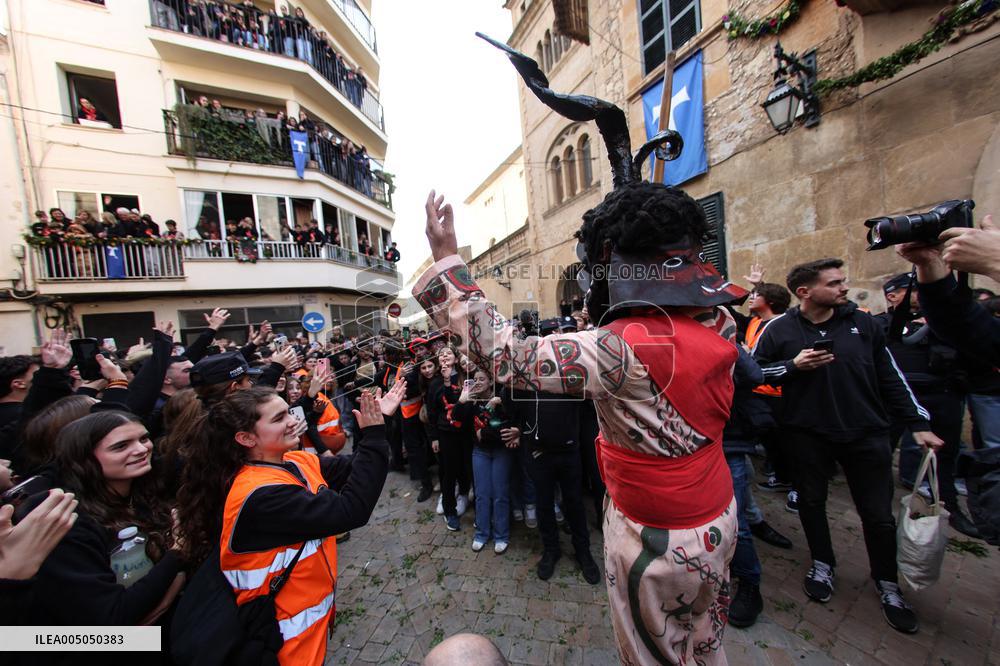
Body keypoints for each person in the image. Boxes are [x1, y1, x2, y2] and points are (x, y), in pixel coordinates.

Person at [417, 181, 746, 664]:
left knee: (654, 654)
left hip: (655, 540)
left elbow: (506, 356)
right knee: (704, 640)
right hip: (718, 515)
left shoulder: (617, 349)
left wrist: (447, 258)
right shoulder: (720, 322)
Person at [753, 258, 942, 634]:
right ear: (804, 292)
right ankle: (822, 563)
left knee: (878, 515)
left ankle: (888, 583)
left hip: (866, 433)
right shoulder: (779, 329)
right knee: (810, 501)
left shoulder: (863, 324)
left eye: (843, 281)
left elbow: (890, 376)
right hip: (806, 433)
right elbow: (755, 372)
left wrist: (918, 422)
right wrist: (793, 366)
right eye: (834, 282)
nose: (843, 288)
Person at [175, 384, 403, 666]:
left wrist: (379, 422)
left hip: (307, 636)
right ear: (246, 438)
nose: (293, 420)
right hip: (285, 647)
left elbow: (357, 468)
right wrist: (374, 433)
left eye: (288, 412)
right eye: (279, 418)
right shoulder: (260, 495)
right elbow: (351, 511)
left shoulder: (292, 460)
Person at [23, 411, 186, 628]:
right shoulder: (69, 522)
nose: (141, 449)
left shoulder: (145, 494)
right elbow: (113, 619)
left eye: (144, 438)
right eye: (121, 446)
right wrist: (177, 554)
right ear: (84, 458)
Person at [456, 366, 517, 554]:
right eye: (475, 380)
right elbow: (457, 421)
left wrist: (486, 431)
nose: (478, 383)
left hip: (500, 452)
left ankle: (501, 536)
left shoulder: (503, 398)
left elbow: (509, 426)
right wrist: (462, 400)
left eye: (482, 379)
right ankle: (482, 533)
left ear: (491, 381)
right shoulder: (472, 402)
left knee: (500, 494)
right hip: (480, 452)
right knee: (482, 494)